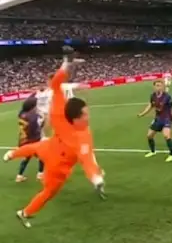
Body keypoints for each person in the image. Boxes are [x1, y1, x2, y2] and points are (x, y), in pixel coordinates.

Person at [3, 56, 105, 228]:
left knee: (33, 147)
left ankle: (11, 154)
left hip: (48, 149)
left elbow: (56, 84)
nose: (89, 116)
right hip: (57, 167)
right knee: (48, 192)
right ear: (75, 118)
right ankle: (24, 213)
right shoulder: (82, 136)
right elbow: (87, 159)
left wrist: (66, 64)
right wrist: (95, 178)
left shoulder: (61, 113)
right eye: (85, 114)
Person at [138, 80, 172, 162]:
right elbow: (150, 106)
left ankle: (171, 155)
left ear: (162, 87)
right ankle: (153, 151)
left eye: (160, 85)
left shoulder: (167, 96)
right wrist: (142, 114)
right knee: (149, 136)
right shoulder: (152, 96)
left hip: (167, 118)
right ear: (154, 87)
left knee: (166, 135)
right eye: (157, 85)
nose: (158, 87)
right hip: (158, 119)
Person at [15, 96, 44, 183]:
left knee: (26, 157)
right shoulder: (33, 116)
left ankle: (19, 176)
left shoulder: (21, 113)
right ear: (32, 106)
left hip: (23, 140)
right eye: (36, 105)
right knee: (43, 156)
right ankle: (40, 174)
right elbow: (35, 129)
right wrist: (41, 124)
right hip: (33, 140)